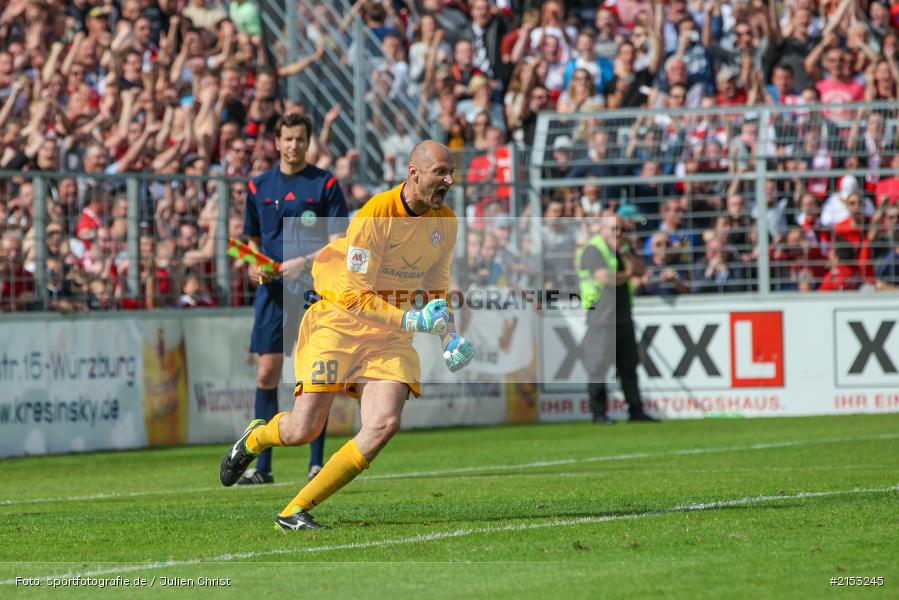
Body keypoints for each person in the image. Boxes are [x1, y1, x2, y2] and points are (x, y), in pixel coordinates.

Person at [220, 140, 475, 530]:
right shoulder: (375, 215)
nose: (449, 181)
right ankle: (256, 438)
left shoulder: (446, 222)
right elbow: (357, 296)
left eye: (451, 173)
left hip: (388, 335)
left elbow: (437, 291)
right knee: (303, 429)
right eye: (441, 172)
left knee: (384, 423)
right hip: (339, 323)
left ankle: (294, 511)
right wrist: (412, 321)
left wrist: (449, 338)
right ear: (414, 173)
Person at [240, 113, 348, 485]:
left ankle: (316, 464)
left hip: (312, 292)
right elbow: (252, 240)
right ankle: (262, 467)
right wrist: (253, 265)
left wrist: (302, 263)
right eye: (287, 138)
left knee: (315, 376)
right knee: (267, 373)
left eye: (300, 139)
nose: (293, 145)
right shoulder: (258, 186)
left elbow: (338, 243)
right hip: (272, 292)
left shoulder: (325, 184)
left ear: (308, 142)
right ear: (277, 141)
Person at [576, 214, 655, 424]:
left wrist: (626, 254)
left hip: (623, 317)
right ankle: (598, 413)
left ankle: (636, 411)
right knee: (598, 367)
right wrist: (629, 273)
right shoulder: (593, 249)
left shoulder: (624, 249)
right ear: (602, 229)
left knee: (629, 367)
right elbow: (606, 278)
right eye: (613, 229)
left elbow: (641, 270)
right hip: (601, 318)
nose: (618, 233)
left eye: (621, 229)